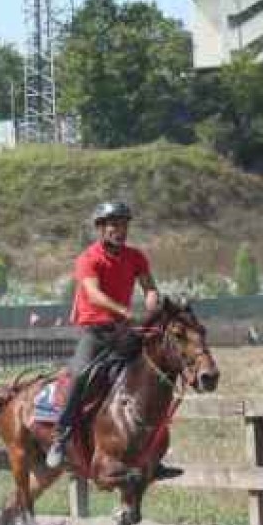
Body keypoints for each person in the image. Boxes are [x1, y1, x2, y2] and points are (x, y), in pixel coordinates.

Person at [44, 201, 182, 481]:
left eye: (123, 225)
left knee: (150, 375)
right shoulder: (88, 259)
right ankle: (61, 435)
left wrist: (153, 299)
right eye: (113, 225)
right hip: (95, 331)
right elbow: (93, 295)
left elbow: (149, 286)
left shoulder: (136, 257)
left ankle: (154, 454)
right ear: (101, 229)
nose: (119, 230)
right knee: (81, 375)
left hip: (123, 331)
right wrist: (127, 312)